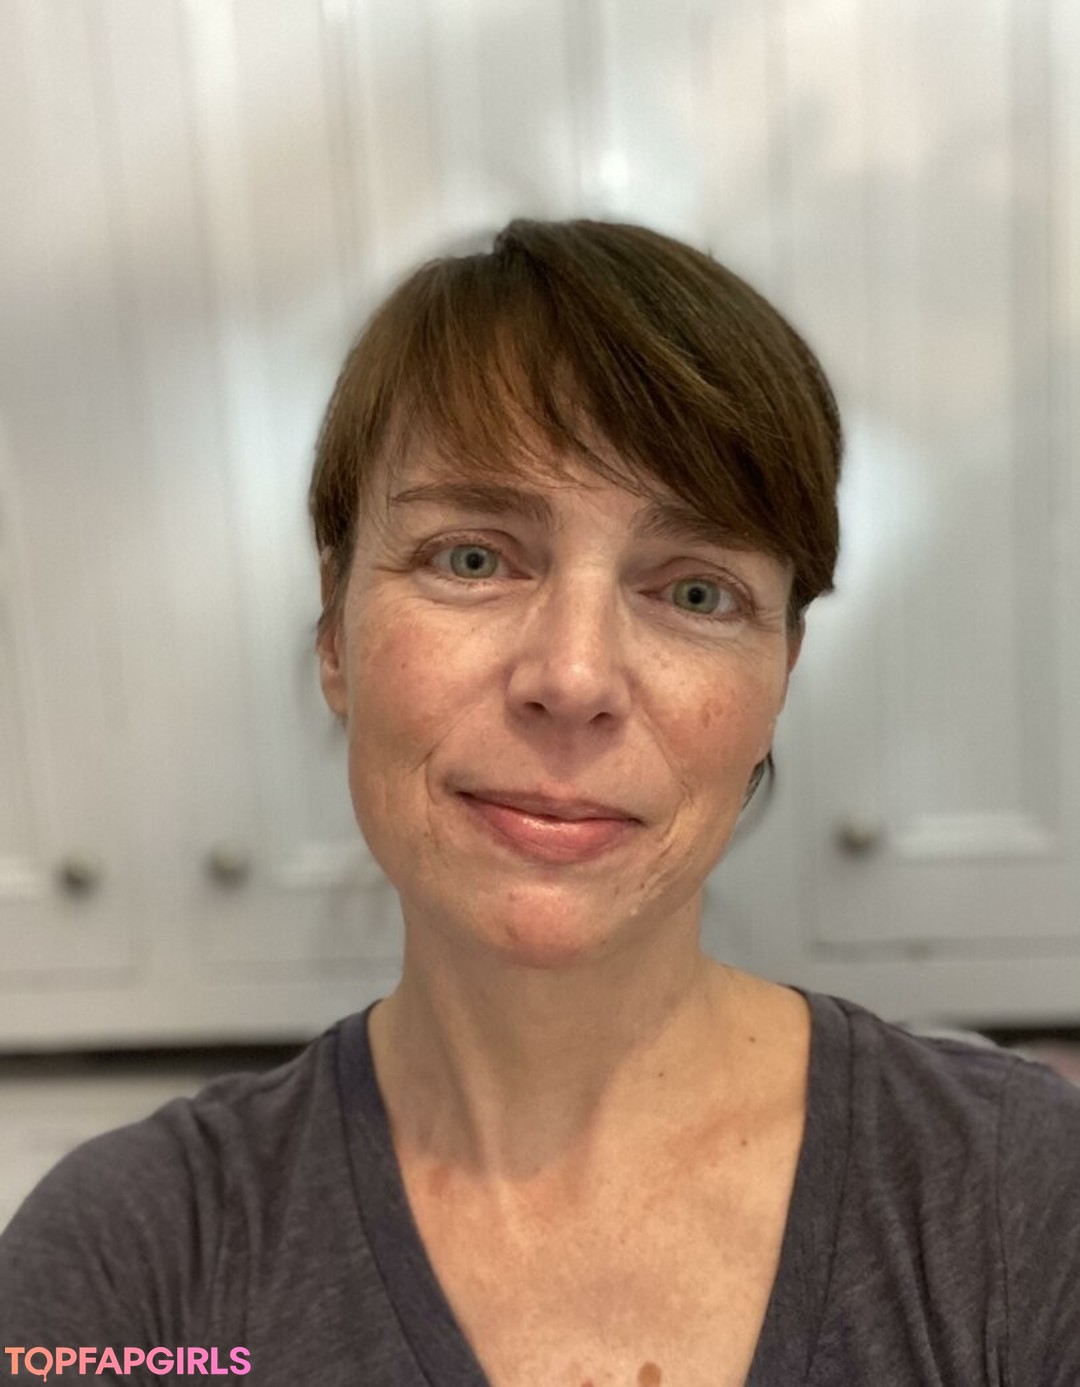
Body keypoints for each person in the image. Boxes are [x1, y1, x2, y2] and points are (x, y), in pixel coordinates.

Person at [2, 217, 1079, 1386]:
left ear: (779, 677)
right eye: (472, 557)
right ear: (335, 631)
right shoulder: (133, 1264)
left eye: (697, 592)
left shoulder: (1023, 1199)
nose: (572, 677)